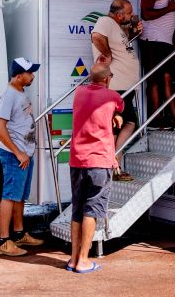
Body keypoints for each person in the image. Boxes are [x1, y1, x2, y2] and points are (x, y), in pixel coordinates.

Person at [67, 63, 124, 274]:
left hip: (77, 160)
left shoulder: (78, 93)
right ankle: (84, 260)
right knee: (92, 210)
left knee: (77, 210)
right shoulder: (112, 96)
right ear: (107, 78)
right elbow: (120, 107)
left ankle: (73, 259)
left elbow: (93, 111)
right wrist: (115, 116)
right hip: (99, 161)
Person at [0, 57, 45, 256]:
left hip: (25, 153)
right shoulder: (8, 95)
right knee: (9, 195)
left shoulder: (20, 92)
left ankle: (19, 233)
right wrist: (18, 152)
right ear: (18, 75)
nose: (32, 76)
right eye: (29, 73)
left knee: (20, 196)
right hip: (14, 155)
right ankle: (4, 241)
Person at [91, 0, 143, 180]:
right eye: (128, 13)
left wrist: (132, 32)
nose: (131, 15)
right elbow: (96, 36)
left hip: (124, 87)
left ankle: (114, 162)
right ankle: (113, 166)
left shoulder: (117, 27)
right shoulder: (105, 21)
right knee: (119, 127)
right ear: (119, 14)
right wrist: (106, 54)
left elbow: (122, 48)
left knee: (127, 124)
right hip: (116, 87)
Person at [139, 0, 175, 127]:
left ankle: (172, 116)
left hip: (164, 42)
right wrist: (169, 8)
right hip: (153, 40)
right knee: (155, 79)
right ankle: (155, 118)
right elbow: (146, 14)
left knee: (165, 77)